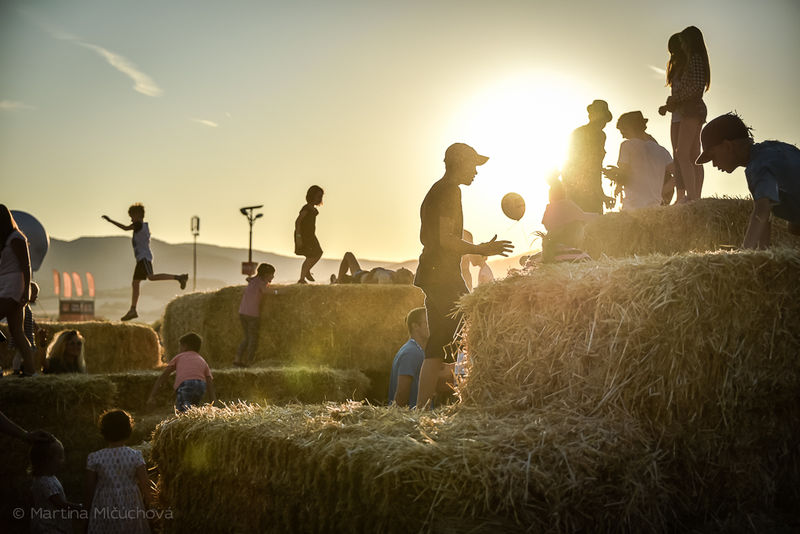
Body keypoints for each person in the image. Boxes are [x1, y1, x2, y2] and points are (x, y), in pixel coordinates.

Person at [414, 142, 513, 409]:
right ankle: (478, 399)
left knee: (436, 344)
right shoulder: (449, 191)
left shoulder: (439, 189)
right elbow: (446, 239)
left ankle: (419, 409)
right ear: (459, 164)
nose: (476, 172)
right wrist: (480, 248)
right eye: (473, 166)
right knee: (476, 325)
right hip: (442, 274)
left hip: (432, 273)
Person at [695, 113, 800, 249]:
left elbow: (761, 210)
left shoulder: (757, 166)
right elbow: (765, 215)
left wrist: (746, 252)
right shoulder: (773, 149)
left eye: (713, 156)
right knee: (794, 226)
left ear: (727, 146)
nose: (714, 164)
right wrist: (762, 253)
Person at [102, 204, 188, 321]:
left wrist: (110, 221)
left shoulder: (138, 225)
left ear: (137, 215)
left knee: (150, 277)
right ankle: (133, 310)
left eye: (131, 216)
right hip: (141, 259)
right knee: (135, 283)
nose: (131, 219)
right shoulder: (143, 226)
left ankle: (179, 277)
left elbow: (125, 228)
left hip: (144, 258)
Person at [658, 26, 711, 201]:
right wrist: (670, 104)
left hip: (690, 110)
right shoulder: (688, 62)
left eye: (682, 42)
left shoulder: (694, 59)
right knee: (690, 155)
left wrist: (675, 100)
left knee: (685, 154)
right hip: (683, 110)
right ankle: (689, 196)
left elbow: (695, 88)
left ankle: (693, 197)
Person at [85, 409, 152, 534]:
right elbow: (145, 484)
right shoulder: (135, 456)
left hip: (104, 504)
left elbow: (89, 488)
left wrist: (86, 512)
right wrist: (151, 506)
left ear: (103, 432)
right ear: (128, 431)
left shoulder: (94, 457)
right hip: (130, 504)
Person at [605, 111, 674, 211]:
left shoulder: (626, 145)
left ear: (630, 127)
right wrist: (661, 191)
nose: (623, 136)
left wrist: (616, 178)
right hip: (655, 210)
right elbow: (680, 176)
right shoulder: (662, 151)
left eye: (623, 131)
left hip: (632, 208)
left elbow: (624, 174)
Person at [0, 205, 37, 375]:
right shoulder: (8, 238)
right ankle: (30, 371)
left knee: (19, 332)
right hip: (8, 285)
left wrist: (26, 290)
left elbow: (26, 265)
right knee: (17, 332)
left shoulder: (15, 238)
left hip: (13, 286)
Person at [562, 100, 616, 214]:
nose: (604, 123)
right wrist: (600, 194)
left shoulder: (589, 133)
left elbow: (591, 166)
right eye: (603, 119)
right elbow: (592, 166)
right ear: (594, 116)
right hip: (583, 195)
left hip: (579, 191)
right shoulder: (594, 134)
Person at [147, 332, 216, 412]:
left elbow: (164, 375)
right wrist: (213, 402)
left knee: (182, 411)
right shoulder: (202, 360)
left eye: (179, 347)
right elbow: (210, 382)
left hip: (186, 384)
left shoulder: (179, 357)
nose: (178, 349)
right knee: (192, 410)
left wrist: (152, 396)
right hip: (201, 386)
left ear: (184, 346)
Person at [30, 436, 84, 534]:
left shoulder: (49, 478)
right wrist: (80, 508)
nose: (63, 460)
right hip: (48, 527)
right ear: (46, 460)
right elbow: (61, 504)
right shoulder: (45, 482)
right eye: (60, 457)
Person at [658, 33, 688, 203]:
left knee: (685, 155)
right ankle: (681, 194)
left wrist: (670, 103)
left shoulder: (687, 67)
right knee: (678, 155)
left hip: (685, 114)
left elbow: (683, 93)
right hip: (676, 115)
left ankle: (686, 194)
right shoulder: (675, 68)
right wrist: (668, 106)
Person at [235, 263, 275, 368]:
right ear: (266, 274)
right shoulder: (261, 283)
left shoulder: (253, 281)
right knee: (253, 339)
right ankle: (249, 362)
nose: (273, 277)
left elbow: (249, 279)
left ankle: (237, 358)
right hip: (252, 315)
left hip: (242, 312)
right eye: (272, 274)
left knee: (247, 337)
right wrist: (278, 292)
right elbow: (266, 291)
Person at [387, 308, 429, 408]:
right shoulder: (411, 353)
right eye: (427, 323)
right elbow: (402, 391)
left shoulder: (416, 350)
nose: (433, 326)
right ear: (415, 326)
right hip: (411, 419)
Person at [10, 281, 45, 374]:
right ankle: (16, 369)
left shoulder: (27, 307)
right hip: (23, 335)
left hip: (27, 335)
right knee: (20, 353)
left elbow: (31, 321)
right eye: (34, 294)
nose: (36, 297)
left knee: (26, 353)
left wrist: (38, 328)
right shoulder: (22, 307)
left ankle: (24, 368)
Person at [294, 185, 324, 284]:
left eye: (321, 197)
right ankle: (302, 277)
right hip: (304, 235)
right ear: (312, 196)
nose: (320, 199)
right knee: (313, 255)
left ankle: (306, 272)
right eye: (318, 196)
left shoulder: (312, 209)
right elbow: (298, 222)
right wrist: (298, 237)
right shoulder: (306, 208)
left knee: (316, 254)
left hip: (310, 235)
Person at [329, 251, 414, 285]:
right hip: (363, 274)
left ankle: (339, 281)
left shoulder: (386, 278)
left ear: (402, 276)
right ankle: (337, 281)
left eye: (405, 271)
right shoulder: (391, 275)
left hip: (359, 277)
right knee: (348, 256)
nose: (403, 268)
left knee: (348, 255)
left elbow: (372, 284)